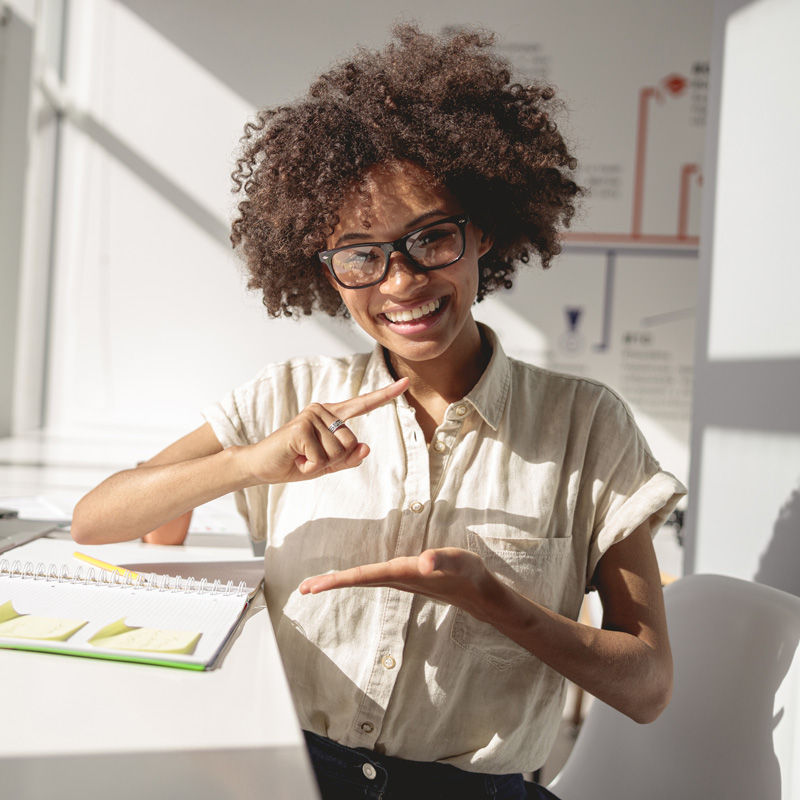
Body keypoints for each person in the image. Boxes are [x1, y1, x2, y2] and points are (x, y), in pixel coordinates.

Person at [72, 25, 686, 800]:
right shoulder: (288, 398)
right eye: (361, 254)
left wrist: (497, 603)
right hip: (290, 773)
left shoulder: (587, 425)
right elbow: (96, 519)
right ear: (324, 269)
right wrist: (249, 463)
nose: (400, 282)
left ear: (482, 231)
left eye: (431, 237)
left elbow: (648, 688)